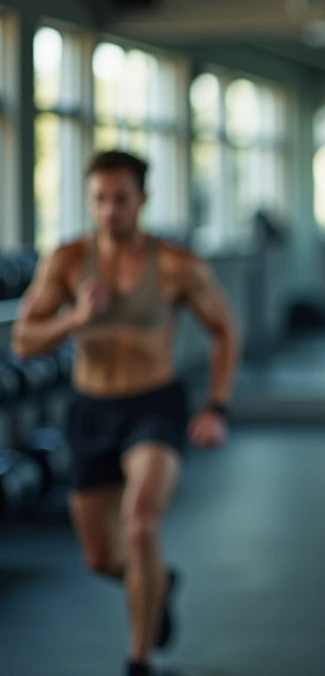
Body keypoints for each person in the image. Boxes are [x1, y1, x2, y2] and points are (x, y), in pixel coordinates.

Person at [12, 150, 239, 676]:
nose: (109, 210)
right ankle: (157, 583)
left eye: (120, 199)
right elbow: (24, 341)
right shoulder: (67, 261)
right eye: (99, 200)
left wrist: (216, 406)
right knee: (99, 557)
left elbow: (225, 330)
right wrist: (74, 318)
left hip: (154, 405)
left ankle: (138, 662)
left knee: (139, 527)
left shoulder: (178, 266)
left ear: (142, 200)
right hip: (89, 410)